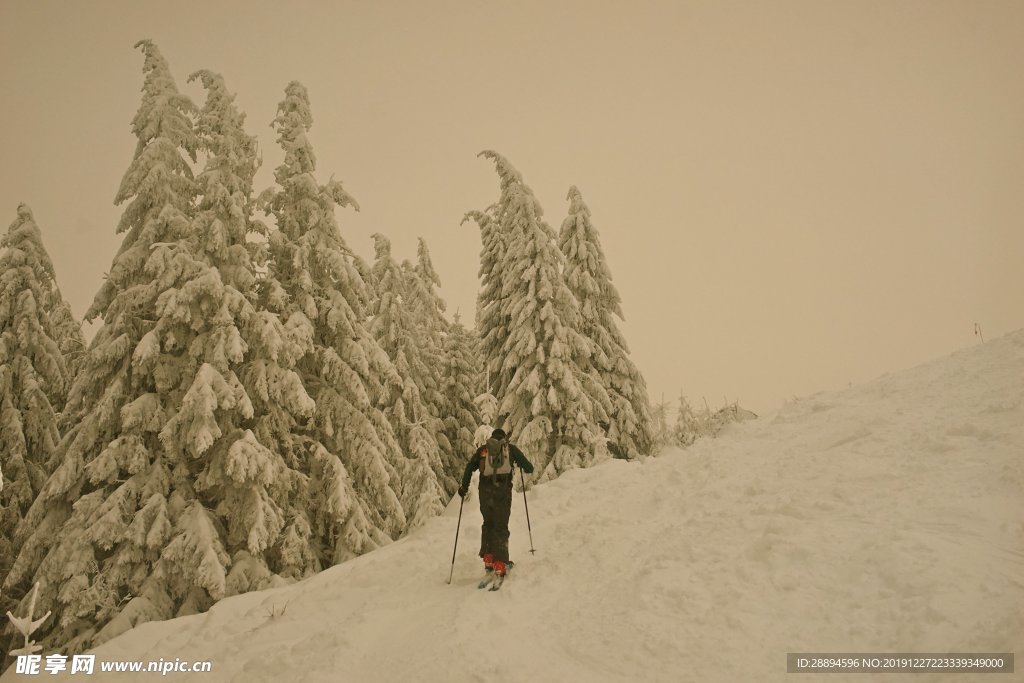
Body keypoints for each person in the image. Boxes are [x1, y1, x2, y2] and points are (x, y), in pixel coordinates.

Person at [458, 428, 533, 577]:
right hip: (502, 492)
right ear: (504, 439)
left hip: (485, 493)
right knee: (501, 525)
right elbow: (529, 468)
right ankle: (500, 563)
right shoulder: (509, 449)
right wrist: (517, 464)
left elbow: (469, 468)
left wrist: (464, 487)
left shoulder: (483, 450)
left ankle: (489, 558)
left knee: (488, 523)